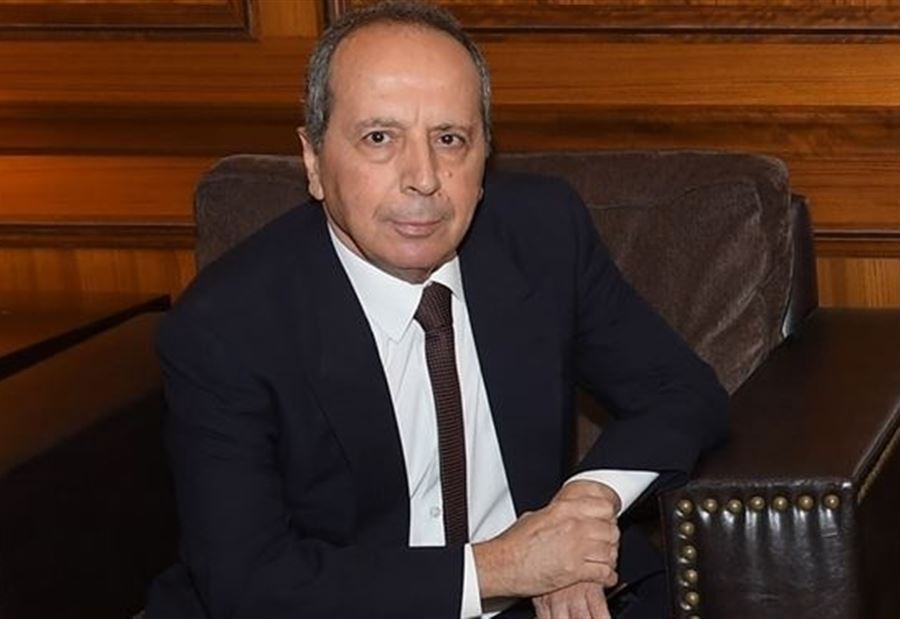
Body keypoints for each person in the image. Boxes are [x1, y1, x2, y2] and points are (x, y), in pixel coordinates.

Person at [146, 2, 728, 618]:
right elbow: (251, 584)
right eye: (379, 138)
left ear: (484, 158)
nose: (423, 178)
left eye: (450, 139)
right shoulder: (225, 327)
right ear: (313, 161)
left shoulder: (542, 237)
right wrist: (504, 566)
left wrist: (582, 509)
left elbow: (682, 391)